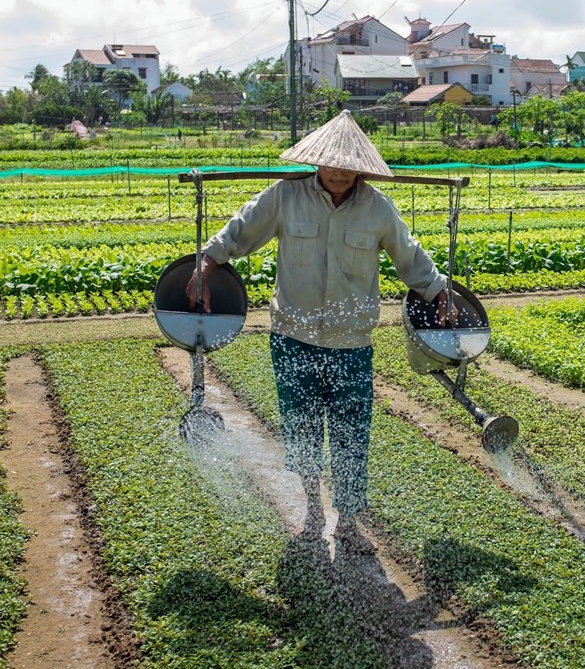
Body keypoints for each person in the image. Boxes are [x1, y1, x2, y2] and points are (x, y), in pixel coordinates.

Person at [187, 110, 453, 553]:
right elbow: (241, 229)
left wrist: (439, 290)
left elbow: (411, 258)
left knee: (351, 433)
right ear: (316, 160)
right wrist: (208, 261)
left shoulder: (378, 209)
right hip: (293, 338)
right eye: (330, 162)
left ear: (361, 167)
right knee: (302, 427)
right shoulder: (286, 197)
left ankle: (348, 522)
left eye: (347, 164)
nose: (338, 171)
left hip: (351, 343)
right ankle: (312, 511)